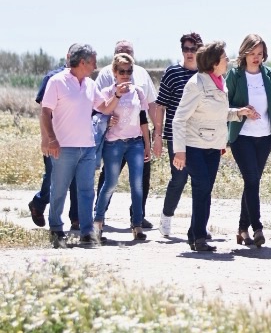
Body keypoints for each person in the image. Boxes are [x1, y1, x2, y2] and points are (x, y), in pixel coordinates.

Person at [172, 41, 258, 251]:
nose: (228, 60)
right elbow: (179, 119)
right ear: (214, 63)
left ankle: (194, 234)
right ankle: (199, 237)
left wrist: (238, 113)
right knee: (201, 186)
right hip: (194, 146)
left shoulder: (221, 83)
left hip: (213, 146)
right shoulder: (196, 84)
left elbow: (218, 113)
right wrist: (179, 151)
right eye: (224, 58)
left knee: (205, 190)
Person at [40, 43, 123, 248]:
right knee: (59, 190)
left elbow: (104, 107)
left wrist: (117, 96)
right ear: (83, 62)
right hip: (63, 147)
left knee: (87, 191)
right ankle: (56, 229)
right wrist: (50, 139)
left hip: (87, 147)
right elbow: (45, 112)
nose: (96, 66)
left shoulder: (90, 84)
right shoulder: (56, 81)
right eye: (93, 62)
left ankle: (87, 232)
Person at [226, 34, 271, 247]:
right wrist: (242, 111)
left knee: (252, 182)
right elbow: (225, 105)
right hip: (242, 137)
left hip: (264, 137)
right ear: (244, 53)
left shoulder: (268, 74)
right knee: (252, 180)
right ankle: (257, 227)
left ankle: (242, 229)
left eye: (260, 53)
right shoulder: (235, 75)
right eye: (252, 53)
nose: (256, 57)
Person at [94, 40, 158, 228]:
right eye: (122, 71)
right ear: (114, 70)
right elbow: (99, 108)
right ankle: (98, 217)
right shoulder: (105, 79)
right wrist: (108, 117)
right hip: (114, 141)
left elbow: (148, 109)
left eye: (129, 71)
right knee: (109, 181)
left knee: (139, 182)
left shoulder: (141, 79)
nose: (126, 74)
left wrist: (154, 135)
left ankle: (137, 220)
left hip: (136, 141)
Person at [155, 32, 203, 237]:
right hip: (176, 135)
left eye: (193, 49)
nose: (189, 53)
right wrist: (157, 136)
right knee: (179, 178)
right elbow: (160, 106)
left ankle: (199, 226)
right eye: (186, 49)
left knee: (201, 181)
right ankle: (166, 217)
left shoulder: (205, 74)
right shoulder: (172, 73)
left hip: (200, 135)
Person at [28, 47, 79, 230]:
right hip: (55, 138)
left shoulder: (83, 79)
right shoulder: (52, 77)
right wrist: (46, 138)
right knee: (53, 177)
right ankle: (39, 203)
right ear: (68, 56)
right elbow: (44, 111)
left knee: (76, 178)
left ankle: (76, 218)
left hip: (76, 139)